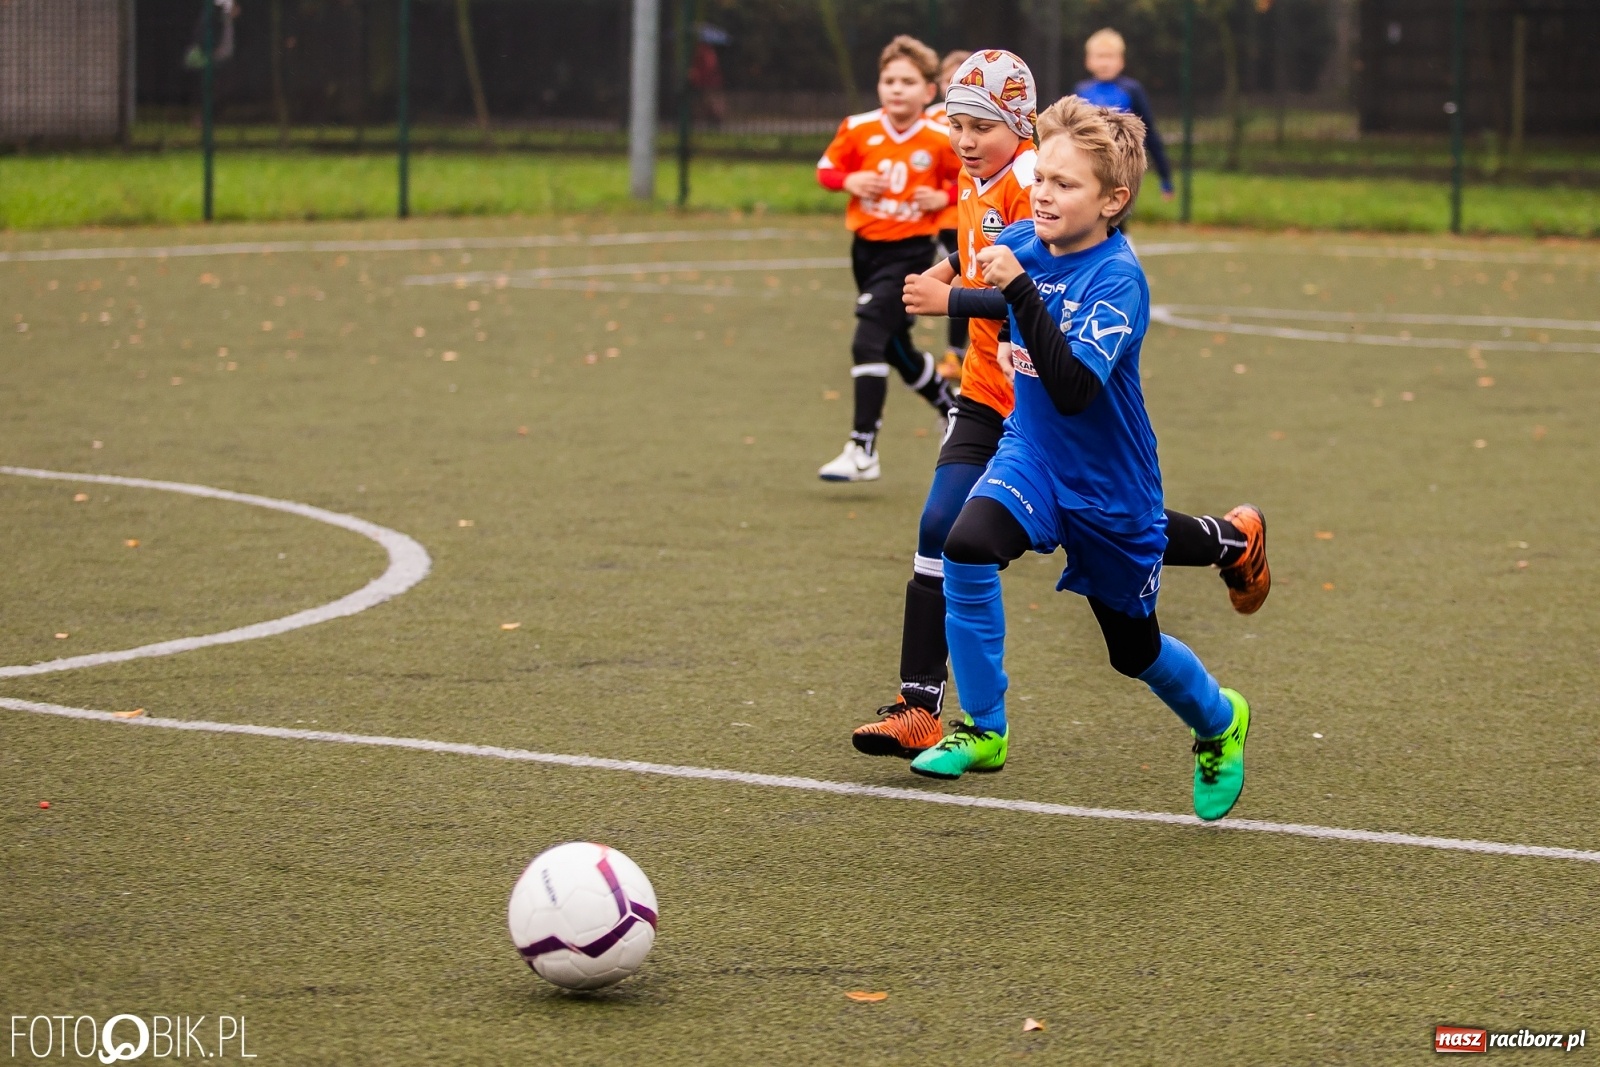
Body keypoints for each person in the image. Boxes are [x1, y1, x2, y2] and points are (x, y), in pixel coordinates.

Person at [849, 54, 1268, 767]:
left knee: (1131, 651)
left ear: (1112, 199)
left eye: (1062, 184)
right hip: (1033, 456)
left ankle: (1218, 718)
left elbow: (1074, 386)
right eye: (1039, 177)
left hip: (1108, 485)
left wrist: (1016, 294)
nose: (1040, 194)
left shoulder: (1118, 281)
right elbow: (995, 278)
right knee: (965, 543)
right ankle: (981, 728)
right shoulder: (1023, 239)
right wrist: (951, 286)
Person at [816, 36, 963, 483]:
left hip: (911, 254)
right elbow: (826, 170)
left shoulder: (941, 138)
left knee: (867, 339)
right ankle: (951, 408)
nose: (896, 89)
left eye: (908, 81)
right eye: (888, 80)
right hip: (866, 252)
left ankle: (863, 448)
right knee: (896, 348)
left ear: (929, 91)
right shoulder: (858, 127)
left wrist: (942, 195)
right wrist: (851, 181)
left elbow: (972, 181)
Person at [1074, 28, 1174, 202]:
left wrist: (1165, 177)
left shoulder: (1132, 91)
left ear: (1121, 61)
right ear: (1088, 61)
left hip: (1121, 168)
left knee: (1114, 209)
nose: (1105, 62)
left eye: (1110, 56)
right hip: (1087, 167)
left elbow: (1150, 133)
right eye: (1100, 56)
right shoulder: (1081, 91)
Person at [926, 50, 973, 382]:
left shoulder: (984, 123)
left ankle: (958, 355)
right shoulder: (926, 121)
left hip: (968, 217)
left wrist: (943, 195)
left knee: (964, 282)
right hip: (935, 223)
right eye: (949, 80)